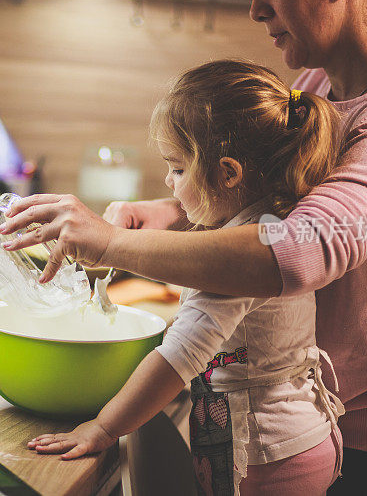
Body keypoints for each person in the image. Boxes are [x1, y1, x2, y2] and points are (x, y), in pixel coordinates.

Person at [0, 0, 367, 494]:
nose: (255, 7)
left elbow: (296, 251)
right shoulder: (322, 85)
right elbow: (274, 193)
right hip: (313, 425)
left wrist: (112, 244)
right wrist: (173, 212)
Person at [24, 59, 346, 495]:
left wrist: (102, 428)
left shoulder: (231, 265)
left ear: (228, 173)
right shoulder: (268, 213)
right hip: (293, 442)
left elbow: (177, 360)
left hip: (270, 456)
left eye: (177, 169)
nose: (168, 182)